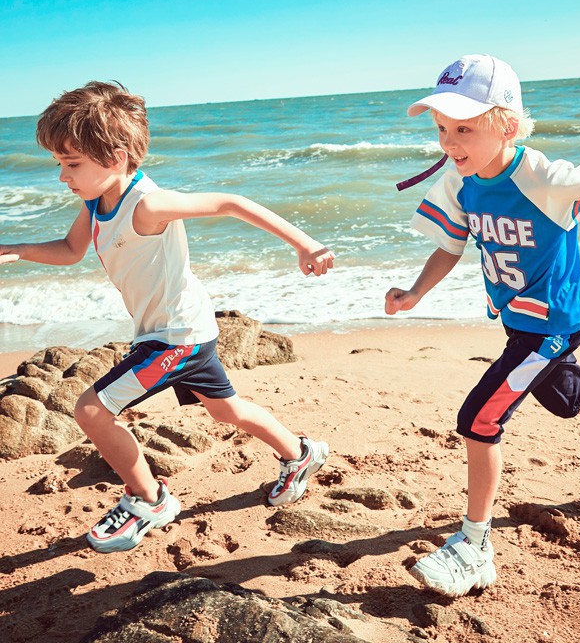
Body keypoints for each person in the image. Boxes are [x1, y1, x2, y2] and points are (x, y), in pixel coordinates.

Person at [0, 81, 334, 553]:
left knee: (91, 409)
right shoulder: (96, 202)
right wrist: (16, 248)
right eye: (59, 163)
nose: (62, 176)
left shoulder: (148, 205)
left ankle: (149, 499)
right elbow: (73, 250)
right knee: (225, 409)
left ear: (115, 158)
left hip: (177, 336)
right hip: (180, 329)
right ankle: (300, 454)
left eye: (71, 164)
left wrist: (306, 244)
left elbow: (230, 203)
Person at [385, 54, 580, 597]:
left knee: (478, 419)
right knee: (568, 401)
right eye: (441, 128)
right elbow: (449, 245)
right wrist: (414, 292)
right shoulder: (462, 185)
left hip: (552, 325)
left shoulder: (545, 177)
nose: (448, 142)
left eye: (463, 128)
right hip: (518, 325)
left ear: (506, 124)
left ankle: (474, 546)